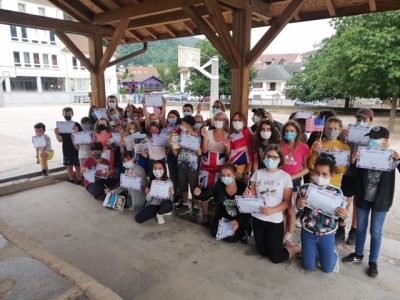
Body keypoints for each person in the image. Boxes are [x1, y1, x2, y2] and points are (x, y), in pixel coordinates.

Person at [342, 126, 400, 277]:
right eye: (371, 138)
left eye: (376, 139)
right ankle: (358, 254)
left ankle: (373, 261)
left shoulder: (391, 156)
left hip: (381, 200)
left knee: (376, 231)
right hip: (363, 197)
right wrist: (354, 161)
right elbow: (353, 175)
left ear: (385, 141)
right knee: (360, 228)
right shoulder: (364, 153)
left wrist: (398, 159)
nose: (372, 141)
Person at [244, 144, 300, 263]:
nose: (270, 159)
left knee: (276, 257)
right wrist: (248, 194)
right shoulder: (258, 173)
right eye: (268, 156)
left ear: (280, 159)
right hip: (257, 218)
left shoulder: (285, 177)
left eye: (274, 157)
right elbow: (252, 193)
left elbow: (287, 202)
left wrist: (272, 210)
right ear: (264, 157)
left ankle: (294, 248)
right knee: (262, 252)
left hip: (274, 220)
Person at [296, 154, 348, 273]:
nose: (320, 177)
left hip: (327, 235)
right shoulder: (305, 189)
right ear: (313, 172)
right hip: (308, 233)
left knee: (328, 269)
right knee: (308, 266)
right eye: (317, 172)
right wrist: (299, 205)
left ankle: (330, 253)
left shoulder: (337, 193)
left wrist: (344, 215)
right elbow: (296, 211)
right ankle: (313, 251)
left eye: (324, 174)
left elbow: (341, 215)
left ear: (332, 175)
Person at [340, 108, 374, 245]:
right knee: (345, 198)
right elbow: (343, 148)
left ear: (371, 121)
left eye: (364, 120)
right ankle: (341, 227)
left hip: (364, 173)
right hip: (349, 170)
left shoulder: (375, 135)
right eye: (358, 119)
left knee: (358, 202)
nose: (360, 122)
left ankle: (354, 230)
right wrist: (342, 137)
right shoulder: (350, 132)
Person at [194, 164, 250, 243]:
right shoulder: (219, 185)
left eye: (228, 175)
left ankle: (243, 232)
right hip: (223, 219)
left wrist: (238, 221)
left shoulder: (243, 188)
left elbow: (247, 211)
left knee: (231, 239)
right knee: (214, 233)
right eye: (223, 175)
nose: (225, 177)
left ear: (235, 175)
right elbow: (207, 194)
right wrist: (199, 194)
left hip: (237, 219)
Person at [281, 120, 310, 244]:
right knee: (281, 209)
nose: (289, 133)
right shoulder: (280, 145)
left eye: (292, 131)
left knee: (290, 209)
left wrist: (292, 177)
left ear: (298, 132)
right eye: (287, 131)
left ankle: (289, 235)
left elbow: (307, 168)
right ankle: (282, 234)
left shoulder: (304, 147)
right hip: (280, 180)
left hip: (294, 181)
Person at [199, 111, 229, 224]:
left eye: (221, 119)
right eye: (217, 119)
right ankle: (206, 215)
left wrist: (227, 148)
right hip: (206, 166)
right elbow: (205, 150)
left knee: (219, 191)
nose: (219, 121)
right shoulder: (208, 133)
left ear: (225, 122)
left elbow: (227, 155)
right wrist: (204, 137)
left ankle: (217, 215)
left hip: (220, 168)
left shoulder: (227, 135)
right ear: (213, 120)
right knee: (205, 190)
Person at [171, 115, 202, 214]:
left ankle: (196, 206)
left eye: (183, 123)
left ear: (189, 125)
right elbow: (176, 153)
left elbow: (200, 153)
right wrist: (172, 144)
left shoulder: (198, 137)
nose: (181, 125)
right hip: (181, 165)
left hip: (193, 166)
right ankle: (185, 205)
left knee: (194, 186)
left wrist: (196, 146)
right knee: (182, 185)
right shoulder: (179, 136)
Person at [135, 160, 173, 224]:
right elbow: (148, 200)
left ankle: (159, 214)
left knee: (167, 204)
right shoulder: (152, 181)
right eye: (155, 168)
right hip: (154, 205)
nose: (157, 170)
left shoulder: (168, 182)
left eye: (160, 168)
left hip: (165, 204)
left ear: (164, 170)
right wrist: (148, 193)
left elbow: (170, 199)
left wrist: (169, 192)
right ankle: (159, 211)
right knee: (138, 218)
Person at [54, 107, 82, 184]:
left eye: (69, 113)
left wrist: (76, 131)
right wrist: (56, 133)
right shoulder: (61, 125)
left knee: (77, 166)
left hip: (76, 148)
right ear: (63, 114)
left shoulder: (76, 124)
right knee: (69, 166)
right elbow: (60, 140)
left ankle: (79, 180)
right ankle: (71, 180)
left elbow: (81, 137)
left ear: (72, 114)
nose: (67, 115)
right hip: (66, 148)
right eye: (65, 114)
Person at [227, 112, 253, 181]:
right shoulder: (231, 136)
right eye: (235, 120)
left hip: (242, 171)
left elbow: (251, 155)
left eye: (239, 120)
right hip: (231, 169)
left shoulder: (248, 133)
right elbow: (228, 155)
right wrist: (227, 146)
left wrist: (247, 172)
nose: (237, 122)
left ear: (244, 122)